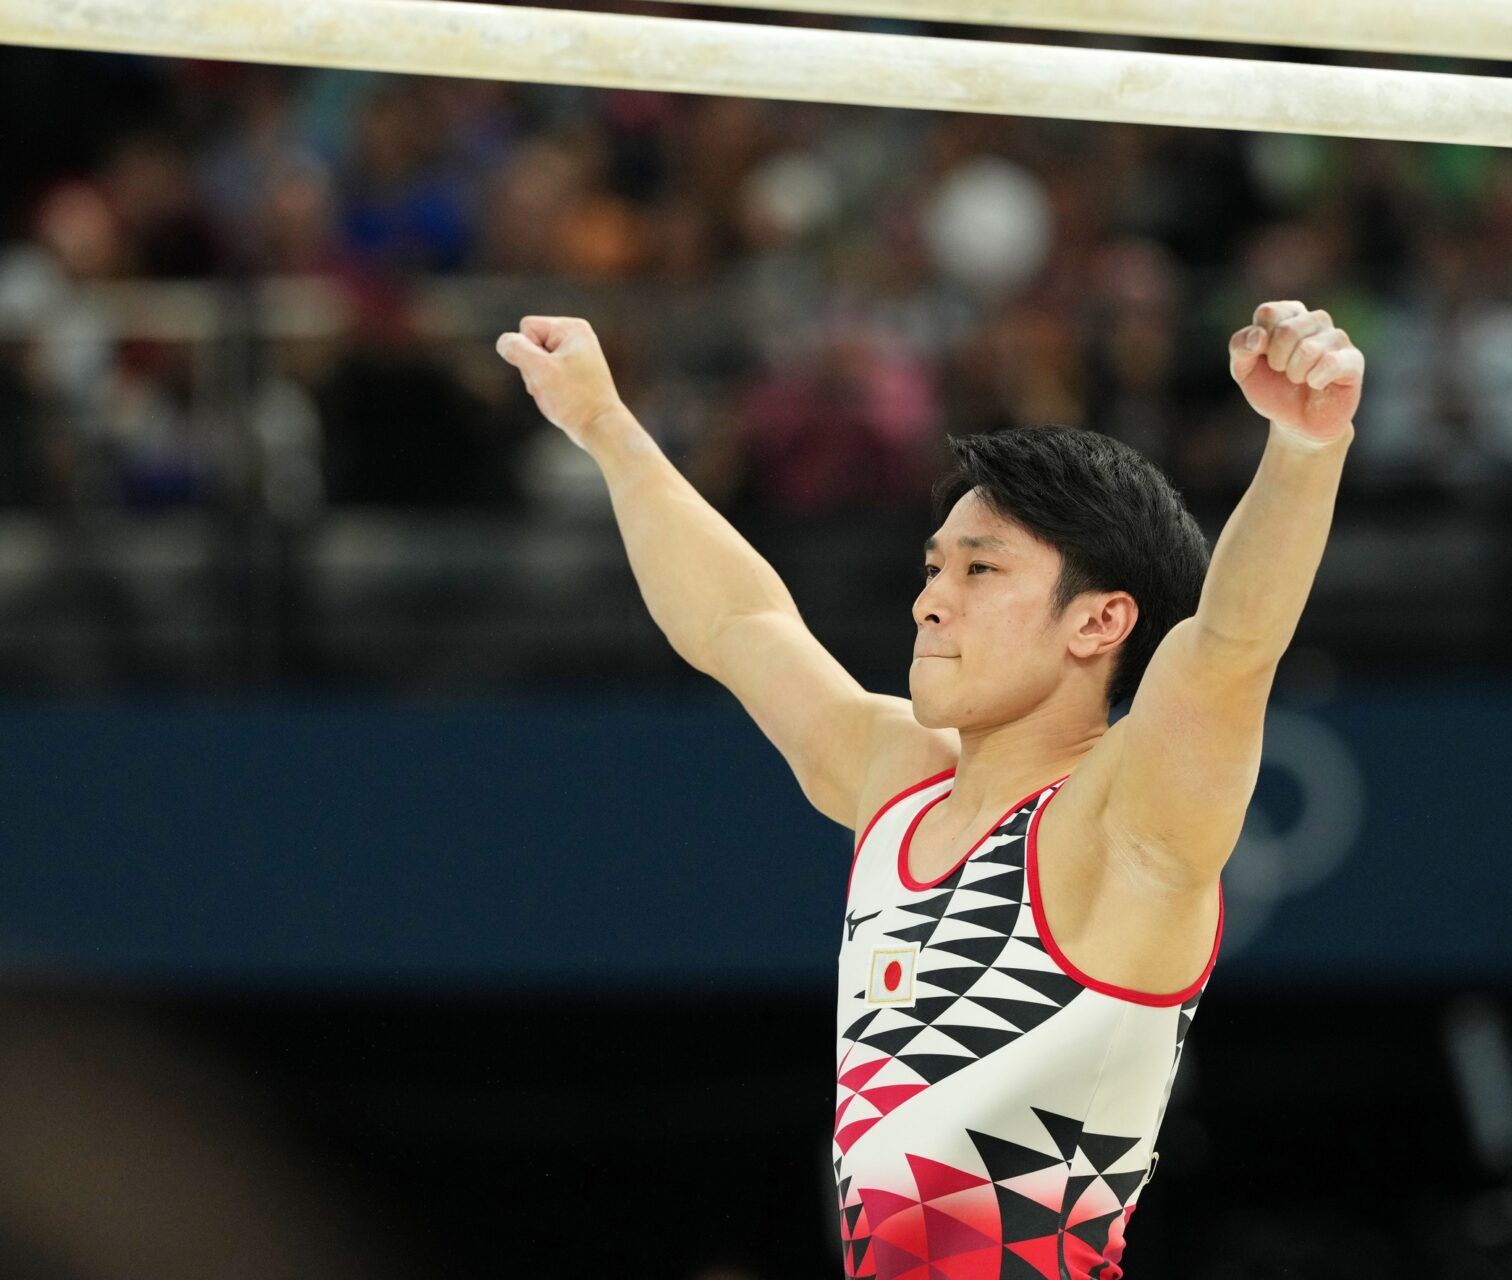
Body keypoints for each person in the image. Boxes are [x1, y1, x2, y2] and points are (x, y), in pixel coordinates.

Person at [497, 301, 1362, 1278]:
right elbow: (739, 621)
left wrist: (1302, 445)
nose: (929, 598)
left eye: (980, 567)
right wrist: (607, 425)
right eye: (934, 564)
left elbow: (1231, 649)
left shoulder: (1120, 828)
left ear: (1099, 621)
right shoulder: (895, 778)